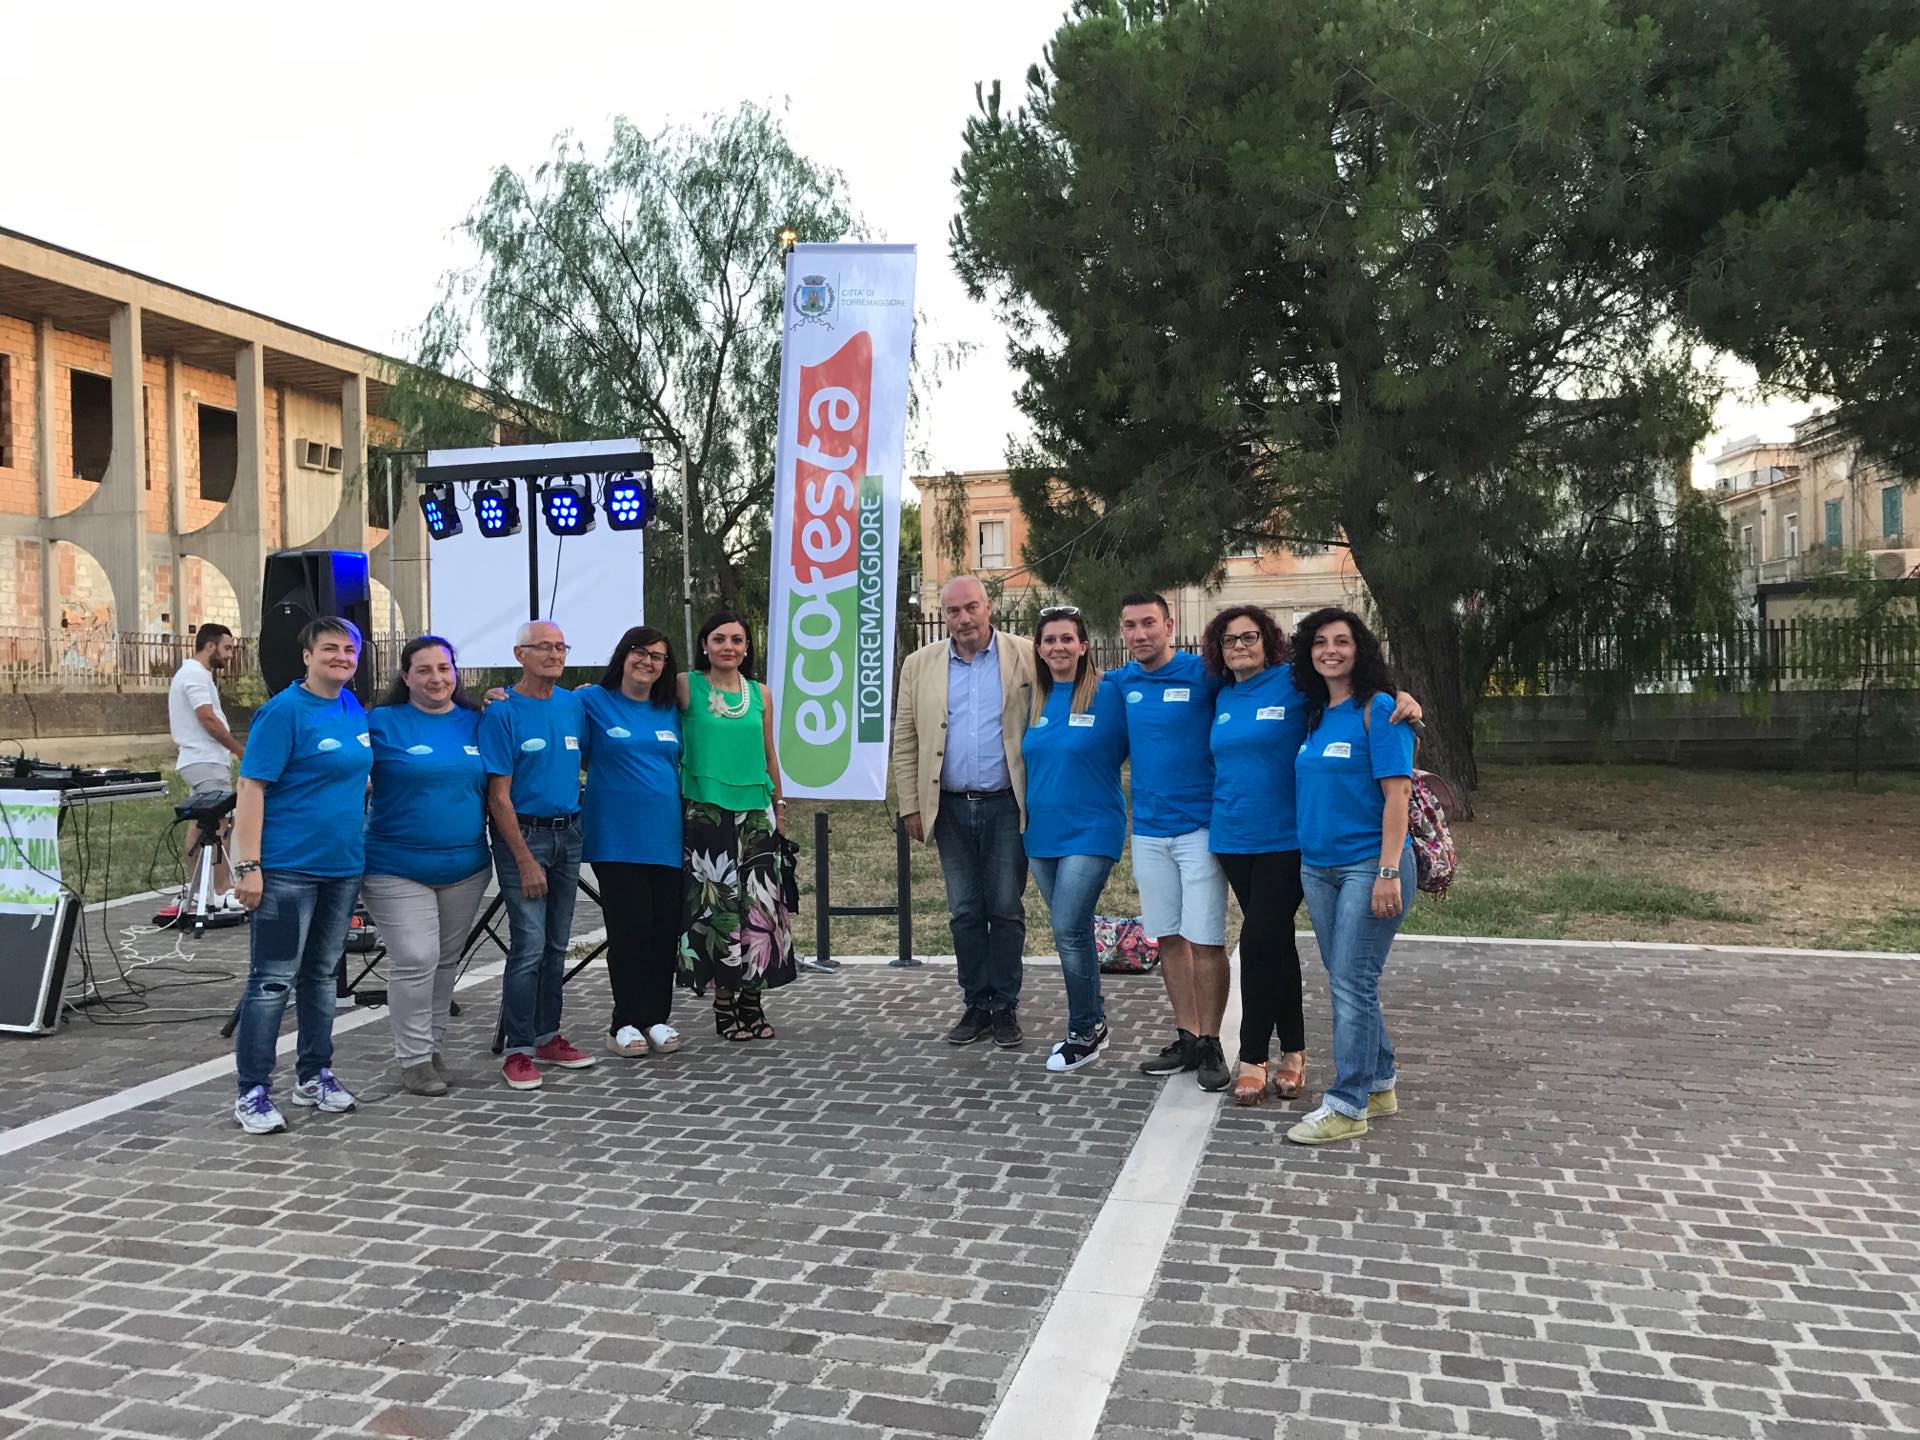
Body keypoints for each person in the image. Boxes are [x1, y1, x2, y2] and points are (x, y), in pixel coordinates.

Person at [227, 617, 371, 1135]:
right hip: (287, 870)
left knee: (322, 978)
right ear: (306, 656)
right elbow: (250, 787)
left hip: (341, 868)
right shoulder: (284, 712)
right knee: (271, 981)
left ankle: (314, 1075)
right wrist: (248, 866)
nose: (341, 656)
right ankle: (253, 1091)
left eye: (349, 649)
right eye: (329, 648)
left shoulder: (350, 706)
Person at [1286, 607, 1418, 1146]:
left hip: (1371, 865)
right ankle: (1380, 1082)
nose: (1331, 650)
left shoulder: (1380, 709)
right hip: (1318, 868)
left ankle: (1347, 1104)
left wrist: (1388, 871)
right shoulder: (1315, 713)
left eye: (1342, 641)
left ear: (1360, 649)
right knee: (1351, 979)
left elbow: (1399, 794)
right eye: (1320, 642)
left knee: (1350, 981)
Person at [893, 576, 1036, 1049]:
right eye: (953, 611)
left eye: (971, 608)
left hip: (1005, 805)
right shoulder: (920, 664)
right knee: (965, 911)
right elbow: (906, 738)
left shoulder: (1025, 654)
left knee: (1006, 908)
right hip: (949, 807)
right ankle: (977, 1003)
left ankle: (1006, 1005)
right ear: (944, 615)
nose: (963, 619)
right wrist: (911, 804)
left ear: (988, 607)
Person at [1108, 592, 1232, 1091]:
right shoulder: (1120, 682)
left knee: (1205, 939)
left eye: (1148, 624)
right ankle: (1186, 1035)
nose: (1139, 634)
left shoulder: (1206, 675)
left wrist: (1394, 695)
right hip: (1149, 832)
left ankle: (1212, 1042)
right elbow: (1057, 678)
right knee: (1169, 939)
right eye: (1129, 626)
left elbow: (1275, 686)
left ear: (1169, 624)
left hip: (1201, 830)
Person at [360, 635, 491, 1097]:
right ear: (405, 677)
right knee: (416, 958)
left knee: (443, 963)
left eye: (444, 668)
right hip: (395, 865)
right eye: (424, 670)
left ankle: (433, 1047)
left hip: (467, 866)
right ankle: (412, 1058)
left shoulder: (478, 721)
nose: (436, 678)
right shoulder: (380, 723)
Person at [478, 619, 596, 1091]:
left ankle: (548, 1035)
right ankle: (519, 1049)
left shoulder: (573, 706)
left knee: (556, 945)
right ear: (519, 654)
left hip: (569, 834)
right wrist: (523, 857)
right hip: (523, 837)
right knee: (527, 947)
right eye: (542, 647)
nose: (553, 654)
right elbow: (498, 797)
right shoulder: (502, 711)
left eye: (560, 646)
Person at [1020, 605, 1128, 1073]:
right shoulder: (1031, 699)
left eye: (1067, 639)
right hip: (1041, 835)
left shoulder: (1112, 694)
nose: (1058, 647)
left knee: (1066, 927)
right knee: (1075, 929)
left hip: (1093, 829)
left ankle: (1083, 1030)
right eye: (1049, 640)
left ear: (1084, 645)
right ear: (1038, 649)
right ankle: (1096, 1022)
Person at [676, 611, 794, 1039]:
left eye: (738, 640)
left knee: (759, 909)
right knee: (719, 909)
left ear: (747, 648)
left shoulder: (760, 693)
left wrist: (778, 806)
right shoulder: (685, 685)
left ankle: (752, 998)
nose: (729, 647)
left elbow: (770, 752)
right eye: (720, 639)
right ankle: (723, 999)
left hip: (755, 812)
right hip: (706, 812)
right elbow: (633, 699)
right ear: (704, 645)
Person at [582, 625, 685, 1059]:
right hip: (616, 839)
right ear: (623, 655)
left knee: (665, 931)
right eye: (640, 652)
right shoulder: (591, 701)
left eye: (658, 656)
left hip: (667, 837)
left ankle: (656, 1017)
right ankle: (623, 1021)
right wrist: (497, 697)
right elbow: (541, 707)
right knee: (631, 929)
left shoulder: (671, 710)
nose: (647, 661)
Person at [167, 622, 245, 913]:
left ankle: (201, 887)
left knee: (202, 823)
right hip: (205, 759)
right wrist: (238, 749)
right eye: (226, 648)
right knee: (220, 823)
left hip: (200, 759)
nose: (229, 655)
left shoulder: (192, 675)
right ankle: (220, 890)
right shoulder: (196, 676)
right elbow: (207, 718)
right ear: (210, 646)